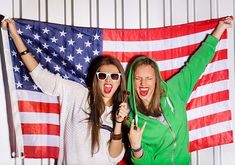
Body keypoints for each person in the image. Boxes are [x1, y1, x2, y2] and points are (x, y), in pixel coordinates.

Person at [2, 19, 129, 165]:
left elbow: (114, 156)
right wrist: (15, 35)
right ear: (96, 79)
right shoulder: (77, 94)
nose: (108, 81)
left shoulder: (121, 112)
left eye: (114, 76)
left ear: (120, 81)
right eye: (102, 76)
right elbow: (40, 75)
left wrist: (118, 122)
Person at [126, 16, 233, 165]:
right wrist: (136, 148)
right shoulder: (132, 119)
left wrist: (219, 29)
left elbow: (196, 64)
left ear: (156, 79)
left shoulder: (174, 91)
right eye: (138, 78)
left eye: (149, 78)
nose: (143, 83)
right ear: (132, 81)